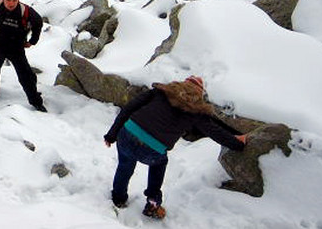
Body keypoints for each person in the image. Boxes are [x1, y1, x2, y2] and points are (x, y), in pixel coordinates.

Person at [103, 76, 248, 219]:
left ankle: (118, 199)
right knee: (159, 163)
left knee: (124, 166)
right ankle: (153, 203)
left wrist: (111, 134)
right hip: (152, 150)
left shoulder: (160, 92)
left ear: (182, 83)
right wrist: (237, 143)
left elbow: (128, 108)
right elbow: (214, 131)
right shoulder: (196, 111)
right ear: (199, 93)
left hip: (127, 134)